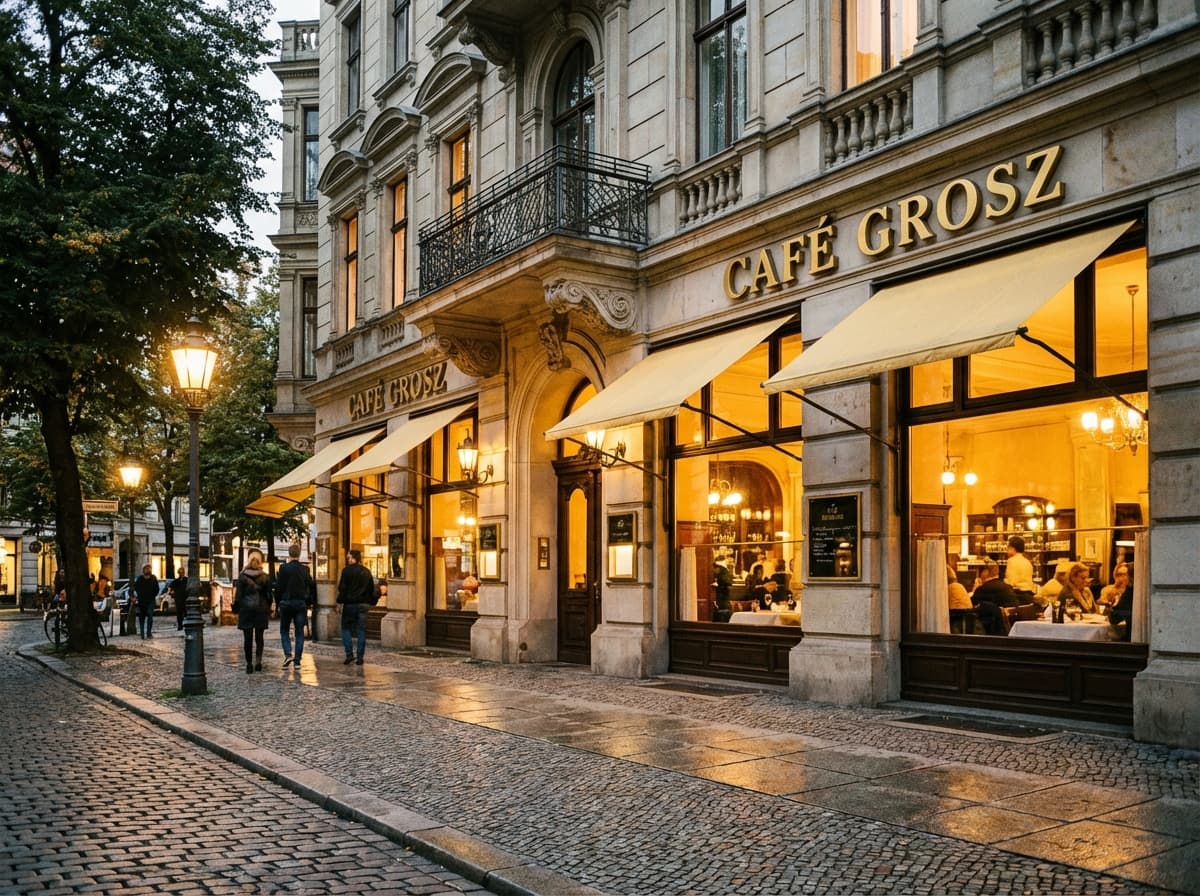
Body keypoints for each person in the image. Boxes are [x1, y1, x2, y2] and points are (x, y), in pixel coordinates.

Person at [274, 543, 316, 668]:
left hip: (286, 603)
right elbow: (311, 585)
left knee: (284, 630)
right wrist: (309, 601)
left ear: (289, 553)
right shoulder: (304, 569)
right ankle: (297, 661)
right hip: (300, 604)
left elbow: (279, 588)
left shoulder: (283, 568)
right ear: (299, 554)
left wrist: (277, 603)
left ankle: (288, 654)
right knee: (299, 632)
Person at [233, 550, 271, 673]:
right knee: (259, 638)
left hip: (246, 610)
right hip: (261, 609)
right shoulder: (265, 576)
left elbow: (238, 596)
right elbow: (269, 596)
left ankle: (249, 664)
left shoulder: (242, 576)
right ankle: (258, 662)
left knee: (247, 638)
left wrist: (237, 608)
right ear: (260, 562)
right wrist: (269, 607)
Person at [336, 548, 375, 665]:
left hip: (350, 604)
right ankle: (360, 657)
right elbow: (371, 589)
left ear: (353, 558)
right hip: (363, 605)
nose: (347, 560)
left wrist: (339, 602)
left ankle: (349, 654)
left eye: (348, 557)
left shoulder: (346, 571)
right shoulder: (366, 572)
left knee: (345, 629)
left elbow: (342, 589)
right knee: (361, 631)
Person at [970, 560, 1017, 635]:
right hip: (1012, 628)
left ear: (986, 572)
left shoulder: (984, 589)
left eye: (981, 571)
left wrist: (975, 589)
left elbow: (971, 604)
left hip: (995, 631)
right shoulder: (1007, 587)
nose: (979, 574)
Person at [132, 564, 160, 639]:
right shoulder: (140, 579)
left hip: (150, 601)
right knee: (142, 618)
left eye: (149, 568)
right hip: (142, 601)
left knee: (150, 616)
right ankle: (142, 633)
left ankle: (148, 633)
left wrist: (152, 595)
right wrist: (137, 596)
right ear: (143, 570)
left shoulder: (153, 578)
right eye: (146, 568)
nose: (147, 570)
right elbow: (136, 588)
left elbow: (157, 589)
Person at [1004, 535, 1035, 600]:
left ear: (1013, 549)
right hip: (1029, 595)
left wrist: (1003, 581)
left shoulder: (1011, 561)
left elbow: (1011, 582)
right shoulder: (1027, 562)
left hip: (1018, 595)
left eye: (1008, 547)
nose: (1006, 550)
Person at [169, 566, 188, 631]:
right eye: (180, 572)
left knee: (185, 612)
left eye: (182, 572)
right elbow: (171, 588)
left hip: (185, 598)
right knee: (179, 613)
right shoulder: (176, 581)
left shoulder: (186, 580)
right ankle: (180, 626)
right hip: (179, 599)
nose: (181, 574)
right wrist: (172, 593)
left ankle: (184, 625)